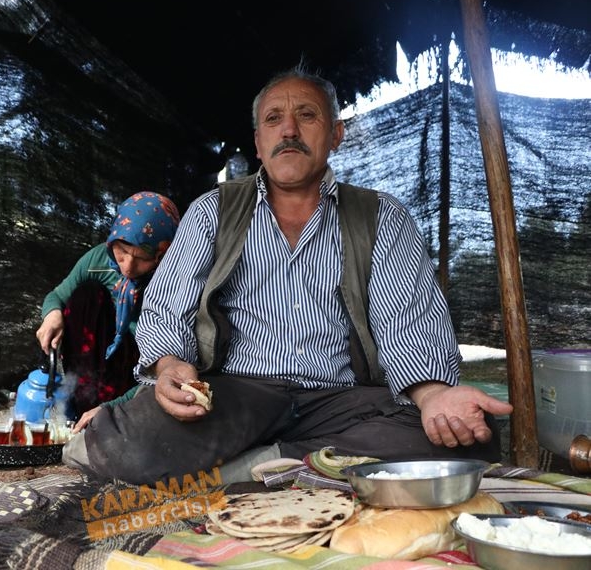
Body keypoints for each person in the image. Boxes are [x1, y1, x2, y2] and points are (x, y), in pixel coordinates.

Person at [62, 66, 514, 485]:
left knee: (468, 438)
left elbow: (407, 323)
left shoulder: (381, 217)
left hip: (343, 401)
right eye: (274, 119)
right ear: (258, 142)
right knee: (119, 447)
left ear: (335, 134)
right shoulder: (212, 211)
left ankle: (263, 463)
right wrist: (170, 367)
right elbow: (165, 308)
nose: (290, 130)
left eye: (307, 115)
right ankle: (305, 465)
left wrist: (434, 396)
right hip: (236, 395)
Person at [36, 191, 180, 418]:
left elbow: (163, 365)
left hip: (139, 370)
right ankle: (81, 400)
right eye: (122, 251)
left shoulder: (174, 282)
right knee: (87, 295)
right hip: (96, 362)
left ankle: (111, 406)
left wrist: (113, 407)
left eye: (142, 258)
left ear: (163, 255)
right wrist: (52, 315)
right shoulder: (98, 259)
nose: (128, 267)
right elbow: (57, 296)